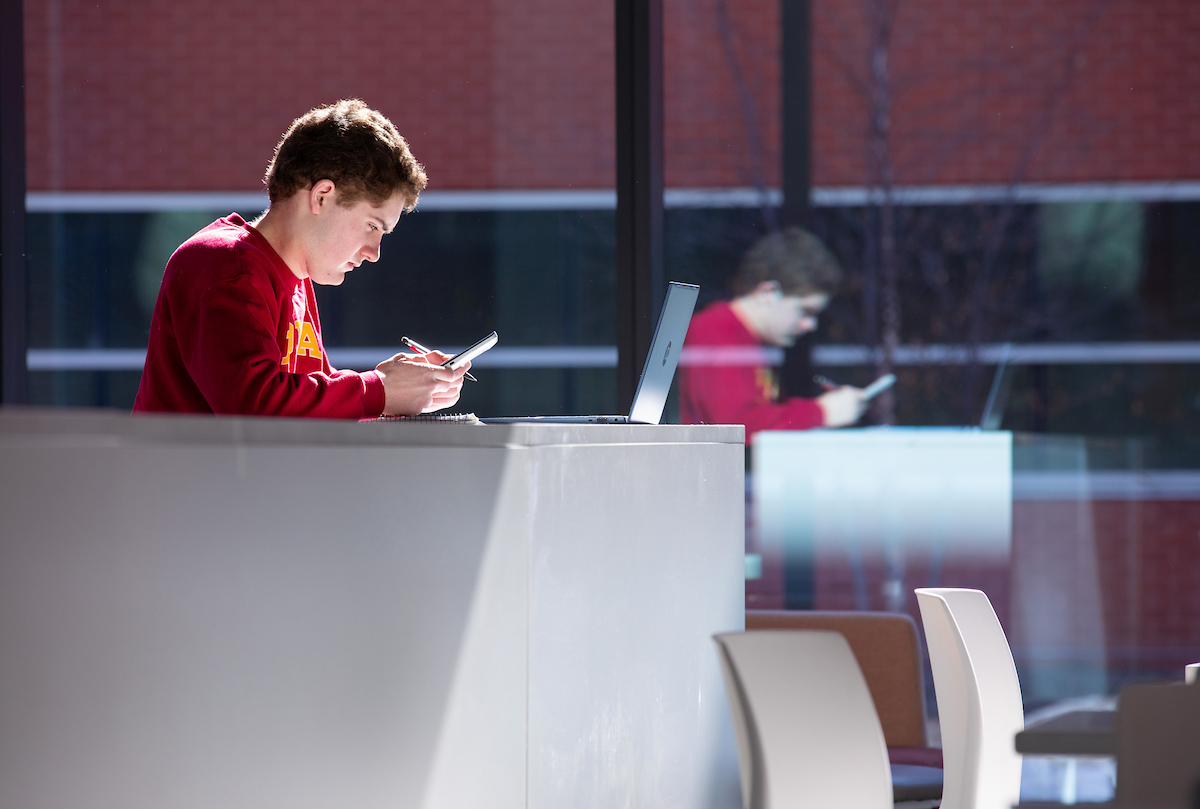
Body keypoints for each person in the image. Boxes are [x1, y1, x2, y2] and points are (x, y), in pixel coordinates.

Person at [133, 99, 466, 419]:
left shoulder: (294, 279)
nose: (374, 253)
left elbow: (309, 408)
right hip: (181, 478)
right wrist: (378, 391)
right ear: (322, 196)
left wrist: (399, 390)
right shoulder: (225, 264)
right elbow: (254, 406)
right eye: (371, 226)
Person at [679, 227, 869, 443]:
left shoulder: (744, 338)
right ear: (767, 294)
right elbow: (736, 427)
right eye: (805, 311)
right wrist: (821, 413)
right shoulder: (716, 330)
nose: (810, 325)